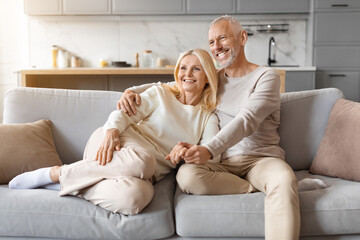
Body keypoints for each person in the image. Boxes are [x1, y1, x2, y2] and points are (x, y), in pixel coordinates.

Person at [117, 16, 300, 239]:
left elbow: (247, 120)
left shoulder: (266, 77)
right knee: (187, 177)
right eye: (211, 42)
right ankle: (250, 186)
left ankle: (263, 186)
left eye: (222, 38)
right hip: (221, 163)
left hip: (260, 159)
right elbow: (172, 86)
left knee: (284, 179)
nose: (217, 47)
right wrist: (132, 91)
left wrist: (207, 149)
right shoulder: (213, 78)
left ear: (242, 37)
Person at [8, 48, 220, 216]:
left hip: (146, 175)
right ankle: (55, 173)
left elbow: (211, 153)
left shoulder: (207, 117)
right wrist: (111, 131)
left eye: (196, 69)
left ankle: (70, 184)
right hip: (115, 145)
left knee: (136, 198)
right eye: (183, 68)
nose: (187, 74)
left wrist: (189, 153)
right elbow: (125, 114)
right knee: (144, 161)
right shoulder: (161, 93)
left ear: (208, 77)